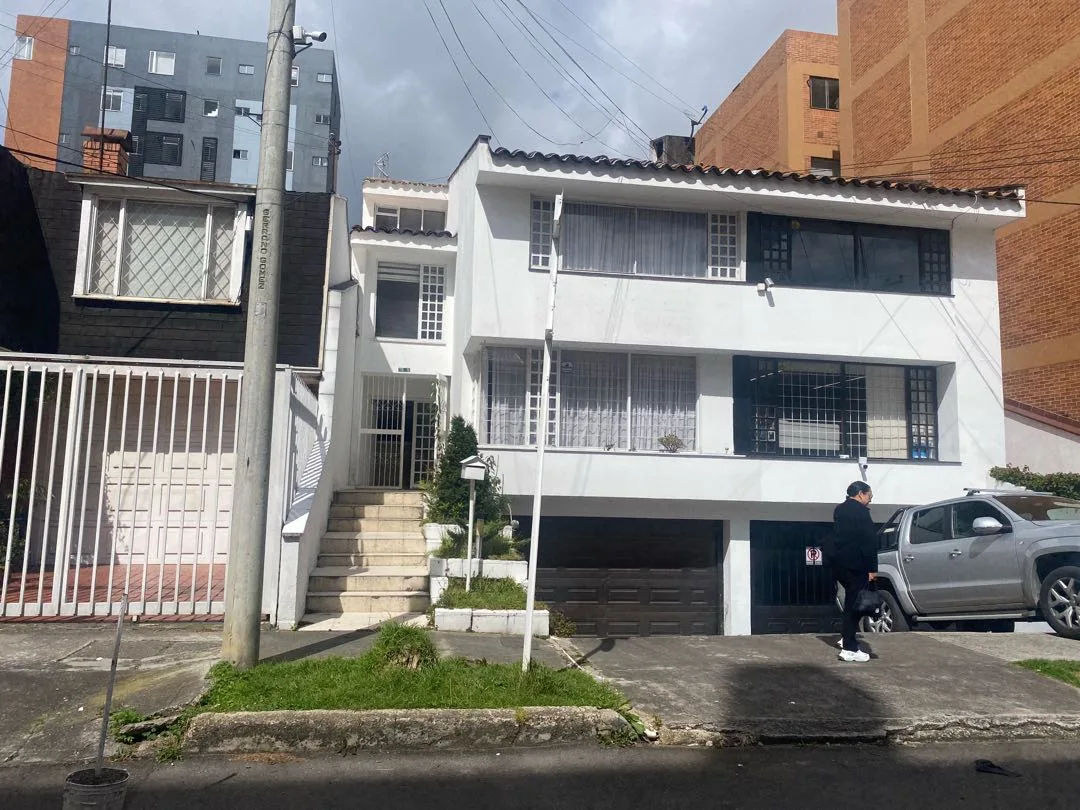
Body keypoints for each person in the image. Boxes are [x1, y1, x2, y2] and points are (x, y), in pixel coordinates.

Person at [830, 481, 878, 663]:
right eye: (869, 497)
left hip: (841, 563)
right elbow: (869, 541)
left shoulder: (839, 510)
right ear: (860, 494)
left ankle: (846, 636)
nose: (869, 501)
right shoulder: (861, 512)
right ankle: (849, 648)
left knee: (852, 601)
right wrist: (873, 569)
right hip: (858, 564)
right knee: (855, 604)